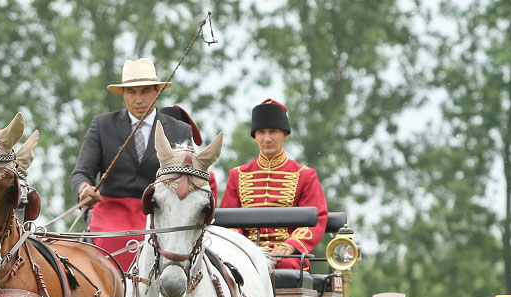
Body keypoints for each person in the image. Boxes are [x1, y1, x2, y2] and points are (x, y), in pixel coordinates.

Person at [70, 58, 195, 271]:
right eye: (131, 92)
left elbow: (189, 180)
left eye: (146, 91)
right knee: (111, 240)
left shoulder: (179, 130)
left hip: (158, 211)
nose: (138, 99)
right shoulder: (102, 125)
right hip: (110, 210)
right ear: (123, 95)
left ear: (157, 91)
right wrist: (84, 190)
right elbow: (81, 173)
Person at [219, 99, 328, 270]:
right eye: (261, 132)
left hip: (288, 257)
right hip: (246, 254)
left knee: (286, 264)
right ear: (255, 137)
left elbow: (318, 217)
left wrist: (290, 245)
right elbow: (229, 223)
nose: (267, 138)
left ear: (285, 135)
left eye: (273, 132)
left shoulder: (305, 175)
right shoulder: (237, 175)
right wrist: (244, 249)